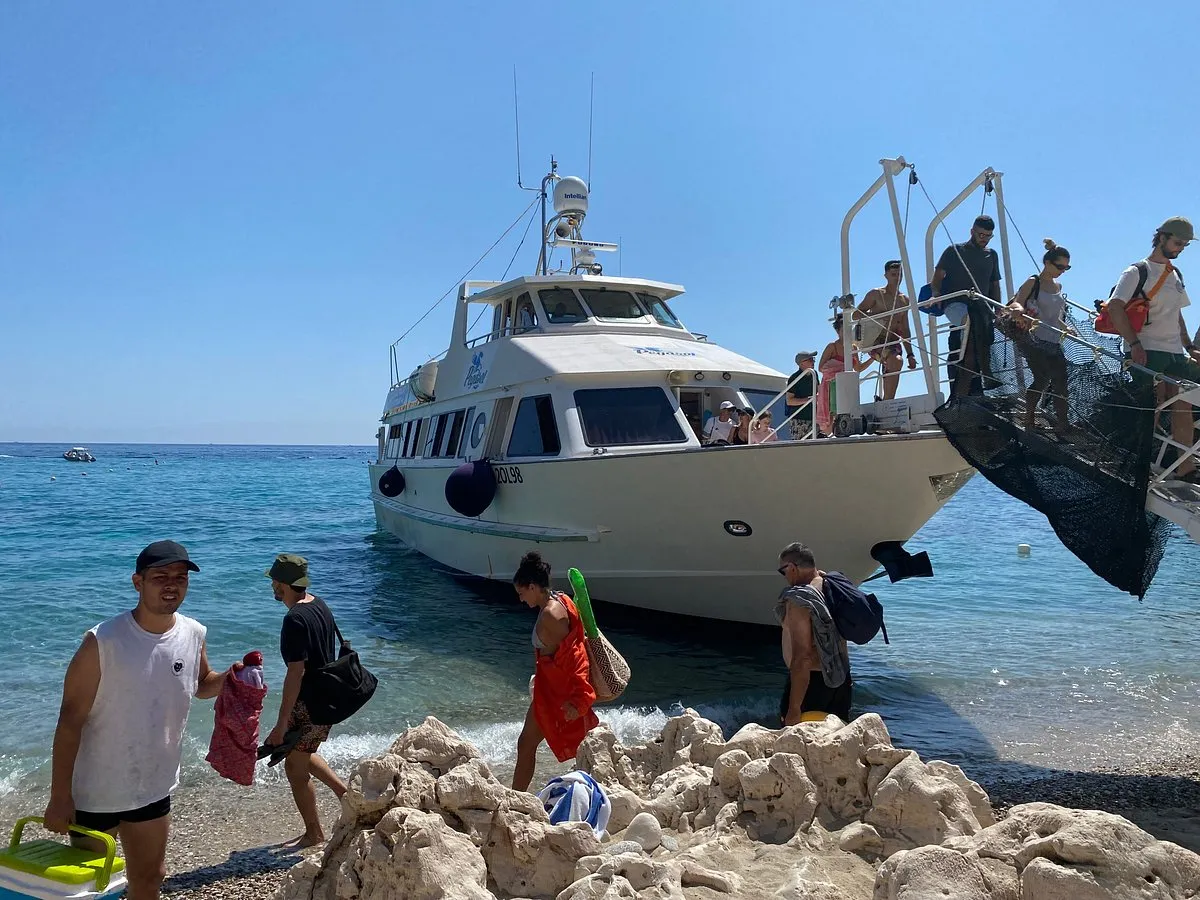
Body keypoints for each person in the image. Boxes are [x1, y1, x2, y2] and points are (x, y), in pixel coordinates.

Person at [43, 541, 234, 900]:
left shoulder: (194, 633)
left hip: (154, 784)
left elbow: (201, 686)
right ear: (138, 582)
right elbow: (69, 723)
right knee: (92, 889)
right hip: (96, 792)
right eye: (160, 577)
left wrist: (232, 678)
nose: (171, 585)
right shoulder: (102, 642)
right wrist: (59, 797)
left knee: (150, 878)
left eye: (180, 578)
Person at [1106, 216, 1200, 484]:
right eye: (1177, 243)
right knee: (1152, 407)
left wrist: (1189, 346)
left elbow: (1177, 315)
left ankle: (1185, 468)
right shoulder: (1136, 271)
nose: (1180, 248)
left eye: (1184, 245)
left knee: (1184, 406)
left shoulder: (1175, 274)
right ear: (1161, 237)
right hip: (1147, 349)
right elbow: (1115, 307)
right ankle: (1137, 463)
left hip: (1174, 352)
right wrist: (1134, 344)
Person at [264, 554, 348, 847]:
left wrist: (282, 721)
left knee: (294, 768)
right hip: (328, 699)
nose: (272, 587)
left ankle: (314, 834)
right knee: (301, 751)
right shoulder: (319, 604)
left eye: (274, 581)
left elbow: (295, 672)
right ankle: (345, 794)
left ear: (283, 584)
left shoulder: (294, 619)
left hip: (310, 705)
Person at [512, 551, 598, 793]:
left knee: (528, 744)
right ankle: (516, 796)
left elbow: (575, 655)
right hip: (548, 691)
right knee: (529, 744)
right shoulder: (561, 599)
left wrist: (580, 700)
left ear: (533, 587)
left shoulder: (550, 614)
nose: (520, 600)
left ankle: (515, 798)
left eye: (521, 593)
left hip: (557, 696)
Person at [1005, 239, 1076, 436]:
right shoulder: (1033, 282)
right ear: (1047, 263)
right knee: (1042, 378)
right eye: (1059, 266)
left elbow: (1055, 316)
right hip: (1033, 338)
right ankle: (1029, 418)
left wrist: (1066, 328)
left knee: (1061, 381)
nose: (1062, 270)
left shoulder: (1058, 287)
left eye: (1066, 267)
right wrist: (1018, 310)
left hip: (1053, 339)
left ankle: (1063, 423)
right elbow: (1017, 302)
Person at [775, 542, 851, 725]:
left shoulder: (799, 600)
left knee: (797, 741)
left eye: (782, 571)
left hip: (813, 682)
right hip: (840, 678)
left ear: (792, 568)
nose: (784, 576)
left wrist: (794, 708)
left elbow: (803, 657)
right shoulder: (833, 584)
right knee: (835, 736)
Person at [932, 215, 1003, 396]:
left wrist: (999, 309)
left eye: (988, 236)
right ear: (972, 231)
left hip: (982, 308)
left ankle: (979, 380)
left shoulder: (991, 255)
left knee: (981, 336)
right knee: (970, 325)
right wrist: (936, 294)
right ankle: (980, 376)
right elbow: (937, 277)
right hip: (957, 304)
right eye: (981, 234)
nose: (984, 238)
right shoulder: (954, 250)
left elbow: (995, 284)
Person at [855, 260, 918, 400]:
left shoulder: (904, 300)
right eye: (893, 274)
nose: (897, 278)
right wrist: (878, 316)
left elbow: (905, 328)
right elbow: (856, 314)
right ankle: (888, 402)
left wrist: (910, 354)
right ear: (886, 276)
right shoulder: (876, 294)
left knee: (897, 360)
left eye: (899, 274)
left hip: (893, 342)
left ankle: (887, 401)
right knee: (894, 360)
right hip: (876, 341)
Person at [816, 315, 872, 436]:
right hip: (831, 384)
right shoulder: (832, 346)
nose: (847, 333)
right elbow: (821, 367)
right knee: (832, 410)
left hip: (846, 384)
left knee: (846, 409)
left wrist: (872, 359)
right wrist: (839, 369)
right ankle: (826, 434)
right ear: (838, 331)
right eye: (843, 330)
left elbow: (858, 368)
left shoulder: (853, 347)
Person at [786, 351, 818, 439]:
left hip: (814, 417)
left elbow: (818, 390)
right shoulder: (794, 378)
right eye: (810, 359)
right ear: (801, 363)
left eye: (813, 359)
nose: (813, 362)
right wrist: (808, 400)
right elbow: (789, 401)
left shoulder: (814, 374)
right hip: (799, 419)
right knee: (800, 445)